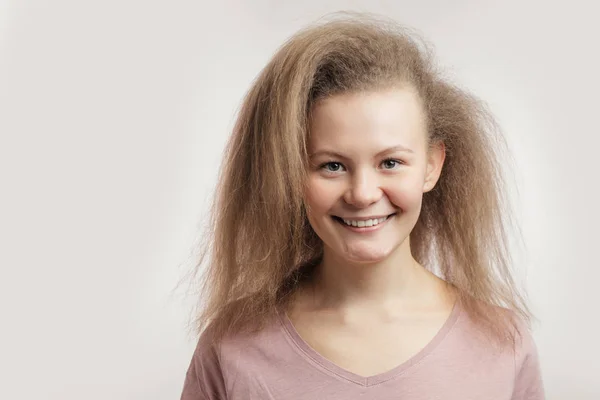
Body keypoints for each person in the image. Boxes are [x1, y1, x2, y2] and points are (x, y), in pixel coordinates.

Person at [180, 12, 545, 400]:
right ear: (290, 172)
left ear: (432, 165)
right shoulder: (232, 347)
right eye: (332, 166)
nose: (363, 193)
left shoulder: (502, 347)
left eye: (390, 162)